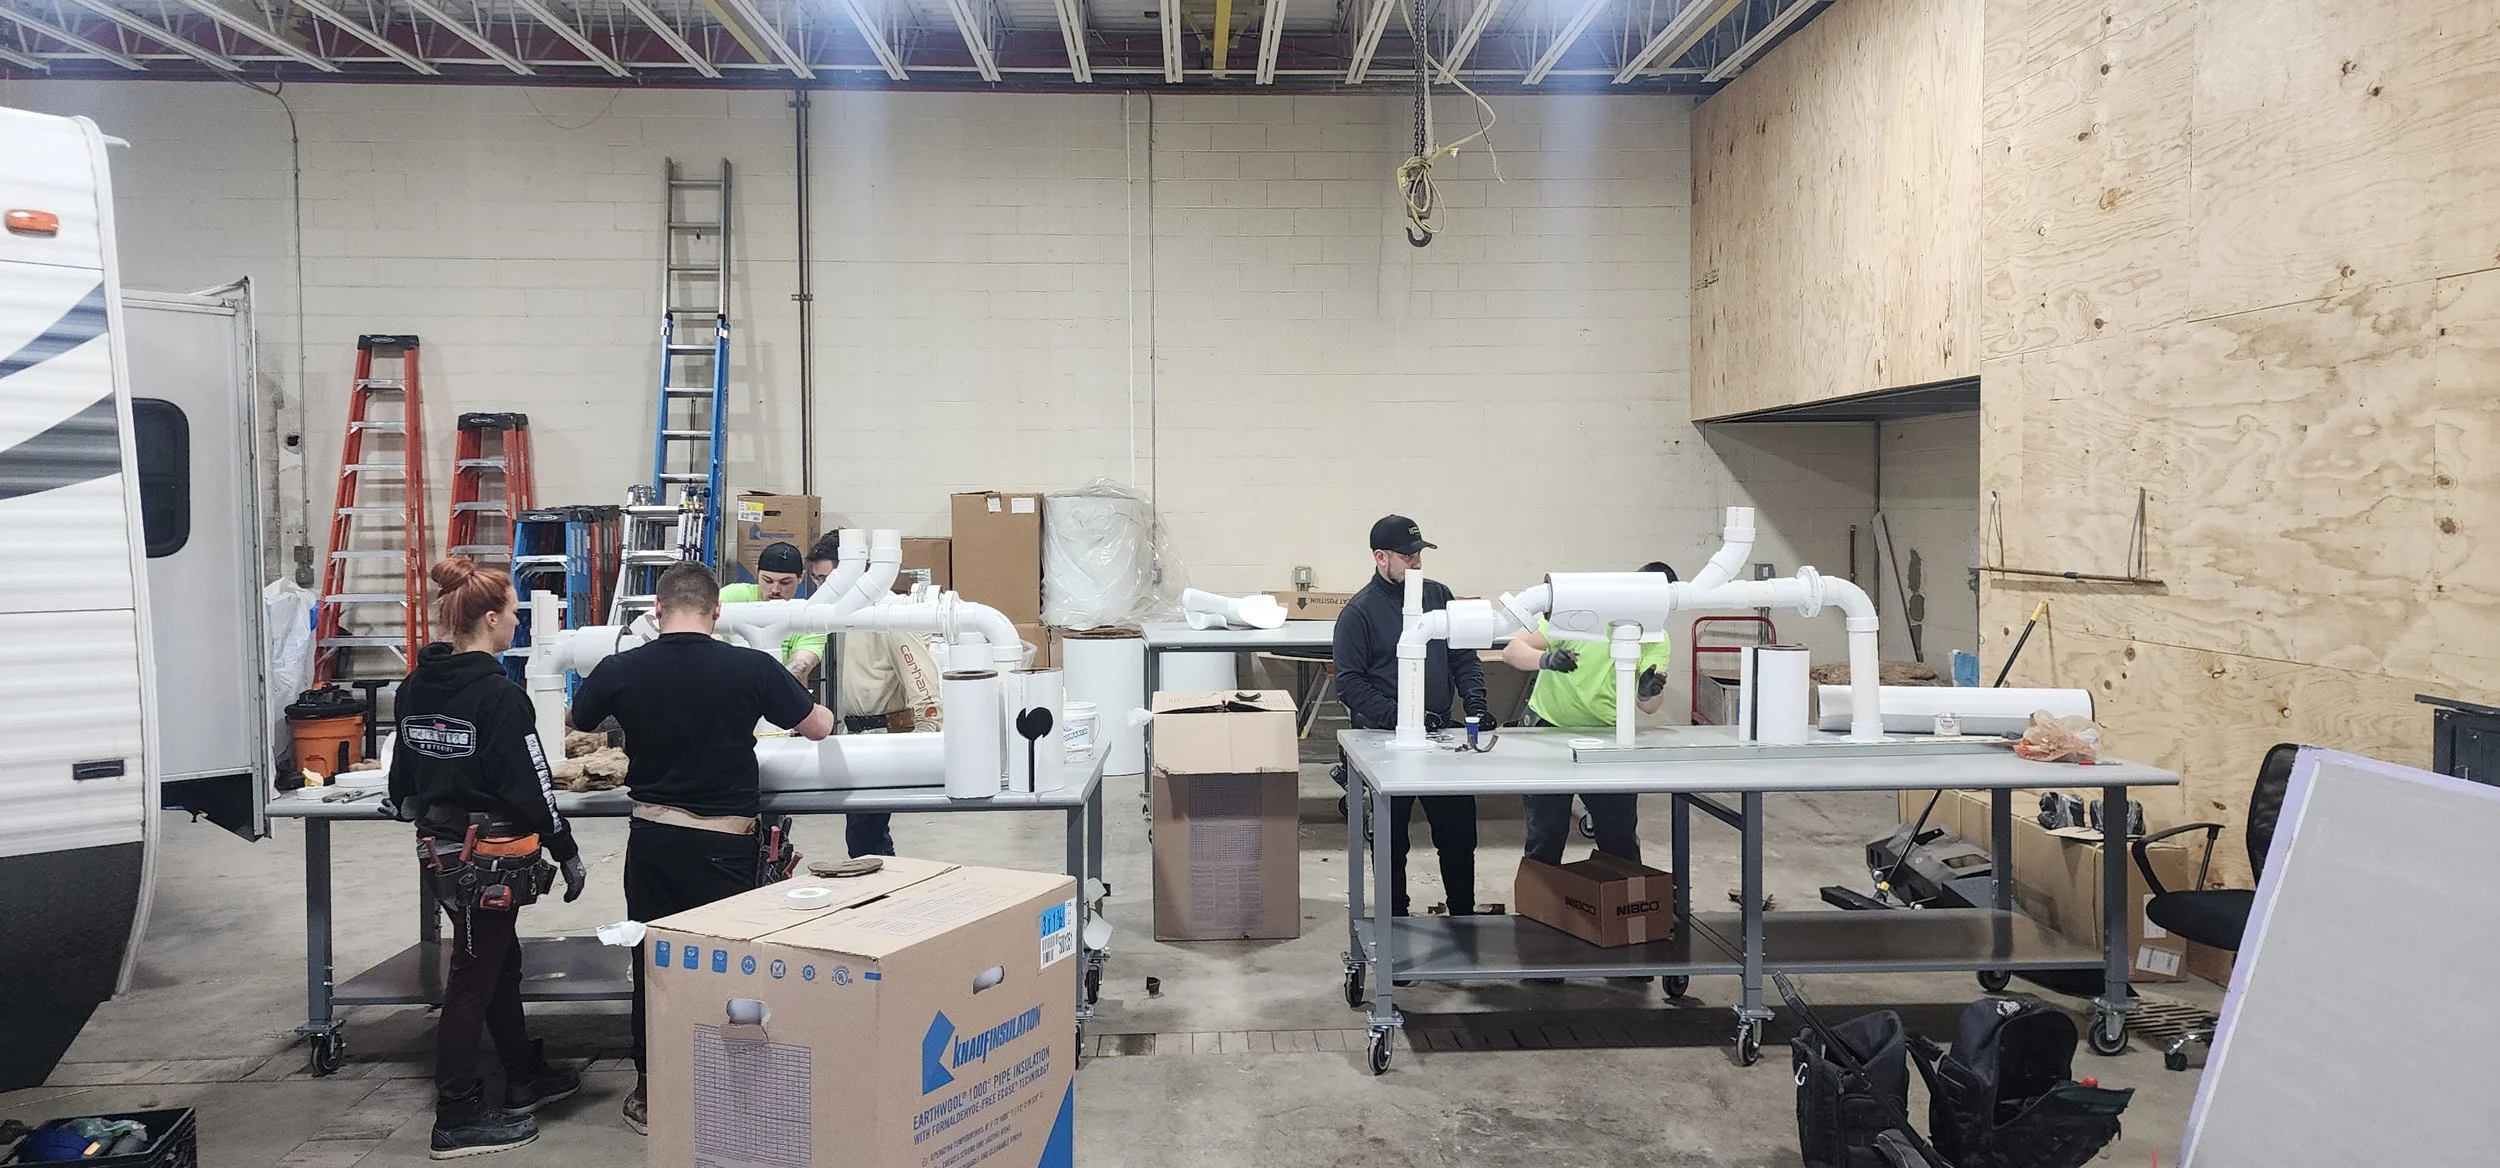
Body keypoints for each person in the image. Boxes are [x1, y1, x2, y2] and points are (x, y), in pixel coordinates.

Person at [568, 562, 835, 1135]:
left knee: (654, 963)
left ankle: (653, 1093)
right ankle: (734, 1094)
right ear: (717, 612)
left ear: (657, 611)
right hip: (726, 843)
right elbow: (816, 727)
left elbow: (578, 717)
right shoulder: (750, 667)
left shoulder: (621, 668)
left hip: (653, 838)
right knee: (731, 966)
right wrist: (824, 710)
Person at [387, 556, 587, 1159]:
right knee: (472, 979)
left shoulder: (415, 686)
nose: (519, 623)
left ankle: (522, 1075)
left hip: (441, 854)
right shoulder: (501, 697)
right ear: (492, 619)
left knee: (498, 964)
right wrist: (565, 849)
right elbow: (533, 786)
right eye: (514, 614)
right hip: (486, 862)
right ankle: (456, 1114)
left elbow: (402, 781)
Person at [1332, 514, 1490, 917]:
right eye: (1407, 556)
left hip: (1440, 736)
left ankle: (1463, 918)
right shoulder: (1359, 613)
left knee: (1458, 836)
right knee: (1389, 841)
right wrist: (1401, 717)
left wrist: (1476, 704)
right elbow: (1349, 684)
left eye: (1419, 553)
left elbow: (1463, 658)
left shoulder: (1439, 596)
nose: (1416, 561)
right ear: (1380, 557)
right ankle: (1394, 924)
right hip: (1383, 742)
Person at [1502, 561, 1679, 865]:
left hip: (1608, 739)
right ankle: (1542, 896)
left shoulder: (1656, 637)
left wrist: (1646, 690)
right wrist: (1545, 659)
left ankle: (1622, 895)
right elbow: (1512, 651)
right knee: (1545, 838)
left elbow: (1649, 706)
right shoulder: (1582, 614)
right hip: (1549, 731)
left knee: (1619, 839)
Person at [717, 541, 824, 683]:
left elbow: (802, 662)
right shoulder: (733, 597)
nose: (775, 589)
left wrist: (771, 687)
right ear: (757, 574)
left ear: (801, 578)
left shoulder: (809, 615)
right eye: (767, 580)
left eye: (785, 582)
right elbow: (702, 626)